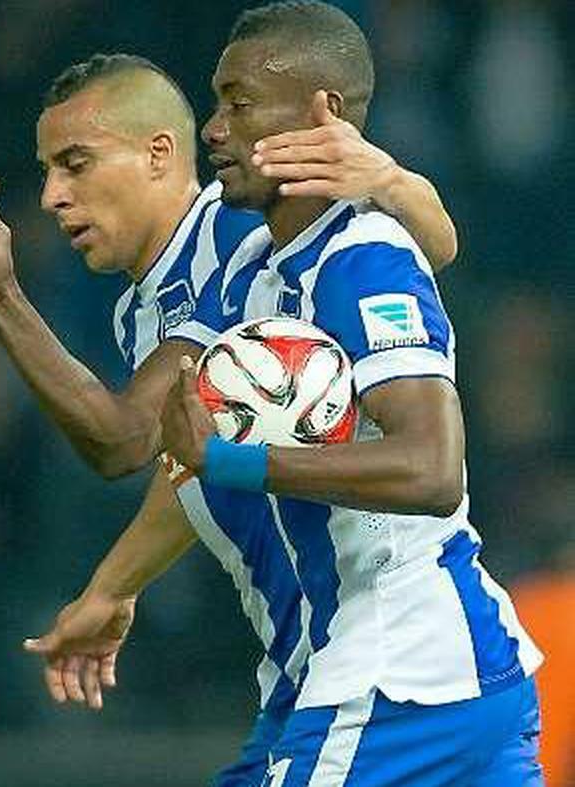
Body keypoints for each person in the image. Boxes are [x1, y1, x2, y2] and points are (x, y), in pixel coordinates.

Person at [0, 51, 459, 786]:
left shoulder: (235, 234)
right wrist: (114, 584)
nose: (51, 196)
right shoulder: (147, 305)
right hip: (315, 663)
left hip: (385, 656)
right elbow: (194, 456)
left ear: (158, 154)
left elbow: (125, 439)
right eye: (47, 170)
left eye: (76, 164)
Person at [158, 3, 544, 784]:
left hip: (397, 674)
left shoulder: (362, 258)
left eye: (239, 104)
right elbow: (441, 241)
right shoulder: (258, 266)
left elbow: (432, 470)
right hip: (396, 671)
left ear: (323, 115)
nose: (213, 128)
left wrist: (231, 461)